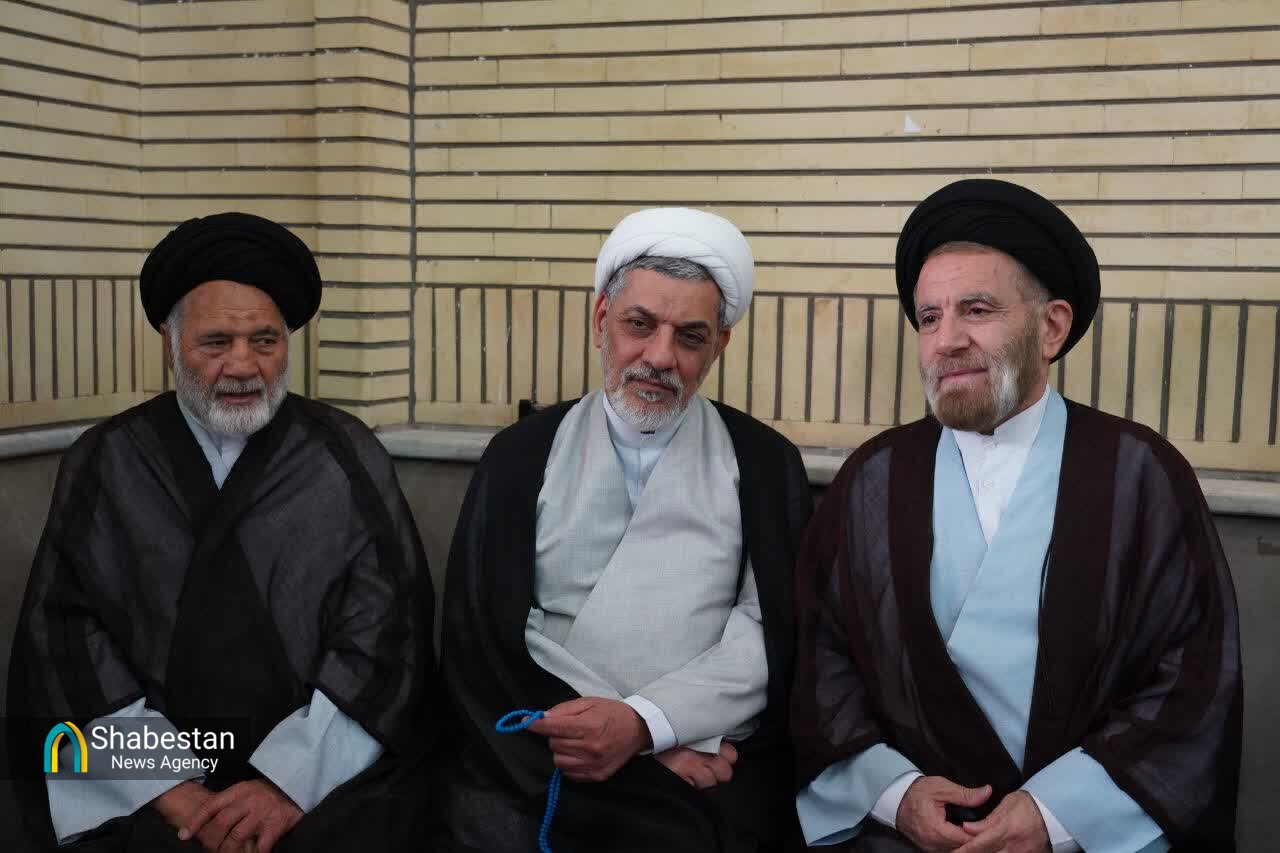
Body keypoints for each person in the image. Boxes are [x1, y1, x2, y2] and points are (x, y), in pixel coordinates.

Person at [791, 179, 1241, 852]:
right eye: (929, 318)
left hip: (1088, 831)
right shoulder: (872, 477)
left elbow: (1192, 675)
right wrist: (895, 792)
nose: (946, 340)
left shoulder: (1140, 472)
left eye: (976, 310)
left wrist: (1059, 813)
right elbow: (822, 660)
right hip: (906, 833)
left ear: (1051, 327)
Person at [8, 213, 438, 852]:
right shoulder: (107, 459)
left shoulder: (344, 455)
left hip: (319, 776)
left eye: (265, 341)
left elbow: (385, 635)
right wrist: (172, 788)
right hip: (145, 783)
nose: (243, 365)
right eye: (216, 342)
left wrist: (287, 784)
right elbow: (67, 644)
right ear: (170, 343)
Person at [435, 208, 814, 852]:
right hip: (541, 753)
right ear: (600, 321)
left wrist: (649, 725)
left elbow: (770, 632)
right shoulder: (520, 455)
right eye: (639, 325)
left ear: (719, 346)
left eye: (690, 337)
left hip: (704, 750)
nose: (660, 357)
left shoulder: (764, 462)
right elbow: (486, 636)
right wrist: (620, 738)